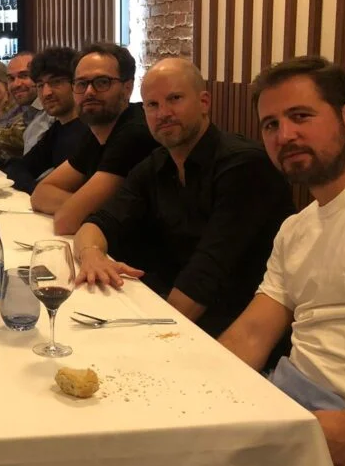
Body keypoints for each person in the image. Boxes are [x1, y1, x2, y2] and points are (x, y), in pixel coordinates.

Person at [218, 56, 345, 466]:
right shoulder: (296, 229)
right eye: (271, 124)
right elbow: (252, 334)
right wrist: (191, 387)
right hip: (291, 405)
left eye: (300, 116)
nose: (285, 135)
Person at [72, 58, 295, 341]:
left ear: (204, 102)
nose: (163, 113)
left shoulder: (244, 166)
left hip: (236, 332)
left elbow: (206, 276)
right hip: (177, 312)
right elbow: (100, 221)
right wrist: (91, 254)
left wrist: (149, 338)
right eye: (152, 105)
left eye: (174, 99)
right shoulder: (157, 163)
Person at [31, 42, 158, 234]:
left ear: (127, 88)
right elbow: (40, 194)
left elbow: (66, 221)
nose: (89, 91)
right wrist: (81, 206)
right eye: (81, 84)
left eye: (102, 82)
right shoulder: (97, 131)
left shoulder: (135, 133)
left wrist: (78, 208)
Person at [10, 47, 89, 193]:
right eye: (40, 85)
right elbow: (19, 168)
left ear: (76, 84)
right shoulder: (58, 129)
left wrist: (40, 191)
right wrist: (39, 190)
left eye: (56, 82)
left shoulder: (89, 132)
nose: (46, 93)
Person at [4, 51, 48, 151]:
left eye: (24, 75)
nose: (16, 84)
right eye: (11, 78)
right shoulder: (28, 111)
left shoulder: (52, 113)